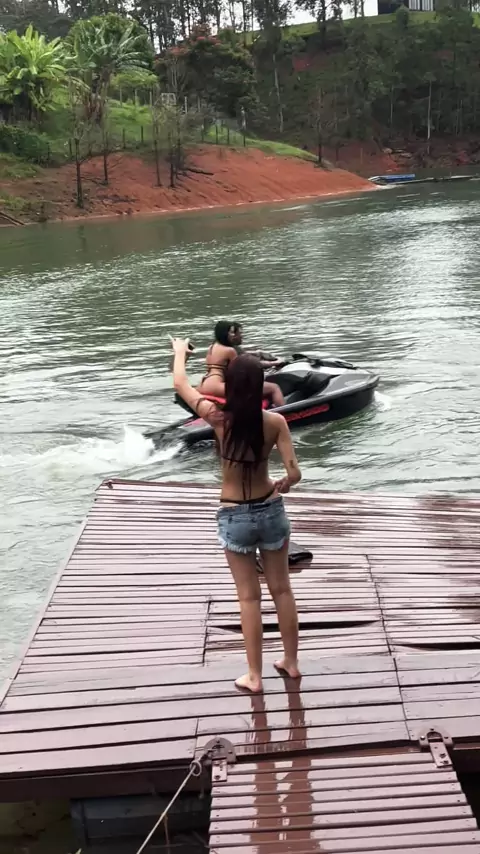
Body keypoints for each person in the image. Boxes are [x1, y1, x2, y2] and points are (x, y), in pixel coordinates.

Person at [171, 337, 302, 693]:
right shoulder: (275, 422)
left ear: (229, 385)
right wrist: (285, 483)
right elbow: (294, 473)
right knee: (282, 591)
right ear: (260, 385)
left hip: (235, 516)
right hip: (271, 509)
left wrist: (180, 352)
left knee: (249, 597)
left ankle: (254, 676)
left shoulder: (218, 419)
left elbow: (180, 383)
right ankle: (291, 663)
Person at [199, 320, 285, 408]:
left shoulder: (212, 347)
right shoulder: (230, 350)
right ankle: (284, 413)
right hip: (218, 386)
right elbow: (242, 369)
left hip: (204, 384)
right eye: (231, 332)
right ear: (224, 333)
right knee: (274, 388)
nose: (233, 335)